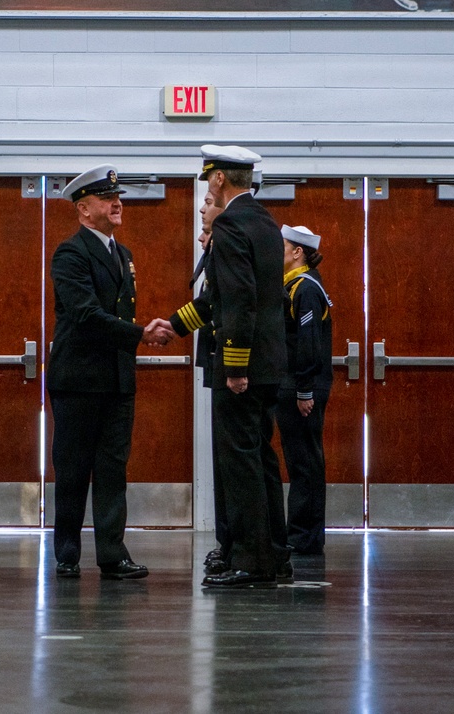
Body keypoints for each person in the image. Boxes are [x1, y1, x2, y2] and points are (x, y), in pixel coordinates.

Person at [47, 164, 172, 581]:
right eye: (106, 198)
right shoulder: (70, 253)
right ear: (84, 209)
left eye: (117, 197)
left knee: (113, 470)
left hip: (118, 380)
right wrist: (141, 334)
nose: (116, 204)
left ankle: (112, 554)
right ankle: (66, 553)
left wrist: (137, 336)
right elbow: (85, 314)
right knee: (73, 469)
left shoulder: (124, 254)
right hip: (79, 380)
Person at [196, 145, 290, 590]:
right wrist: (176, 324)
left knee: (240, 463)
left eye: (208, 178)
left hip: (244, 365)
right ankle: (275, 552)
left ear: (219, 179)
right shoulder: (265, 221)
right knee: (262, 457)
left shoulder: (231, 223)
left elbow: (238, 300)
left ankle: (250, 560)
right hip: (270, 362)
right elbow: (224, 299)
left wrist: (233, 367)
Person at [163, 192, 231, 574]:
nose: (202, 209)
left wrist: (169, 327)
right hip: (219, 365)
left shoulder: (230, 245)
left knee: (236, 464)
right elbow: (207, 305)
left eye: (207, 201)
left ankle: (239, 547)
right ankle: (231, 543)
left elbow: (222, 307)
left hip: (234, 371)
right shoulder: (217, 249)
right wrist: (172, 326)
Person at [278, 225, 333, 556]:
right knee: (300, 460)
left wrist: (304, 391)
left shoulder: (305, 288)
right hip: (298, 383)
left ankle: (304, 536)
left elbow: (308, 344)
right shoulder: (293, 285)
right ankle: (301, 532)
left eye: (282, 246)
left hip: (302, 386)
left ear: (297, 252)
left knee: (305, 462)